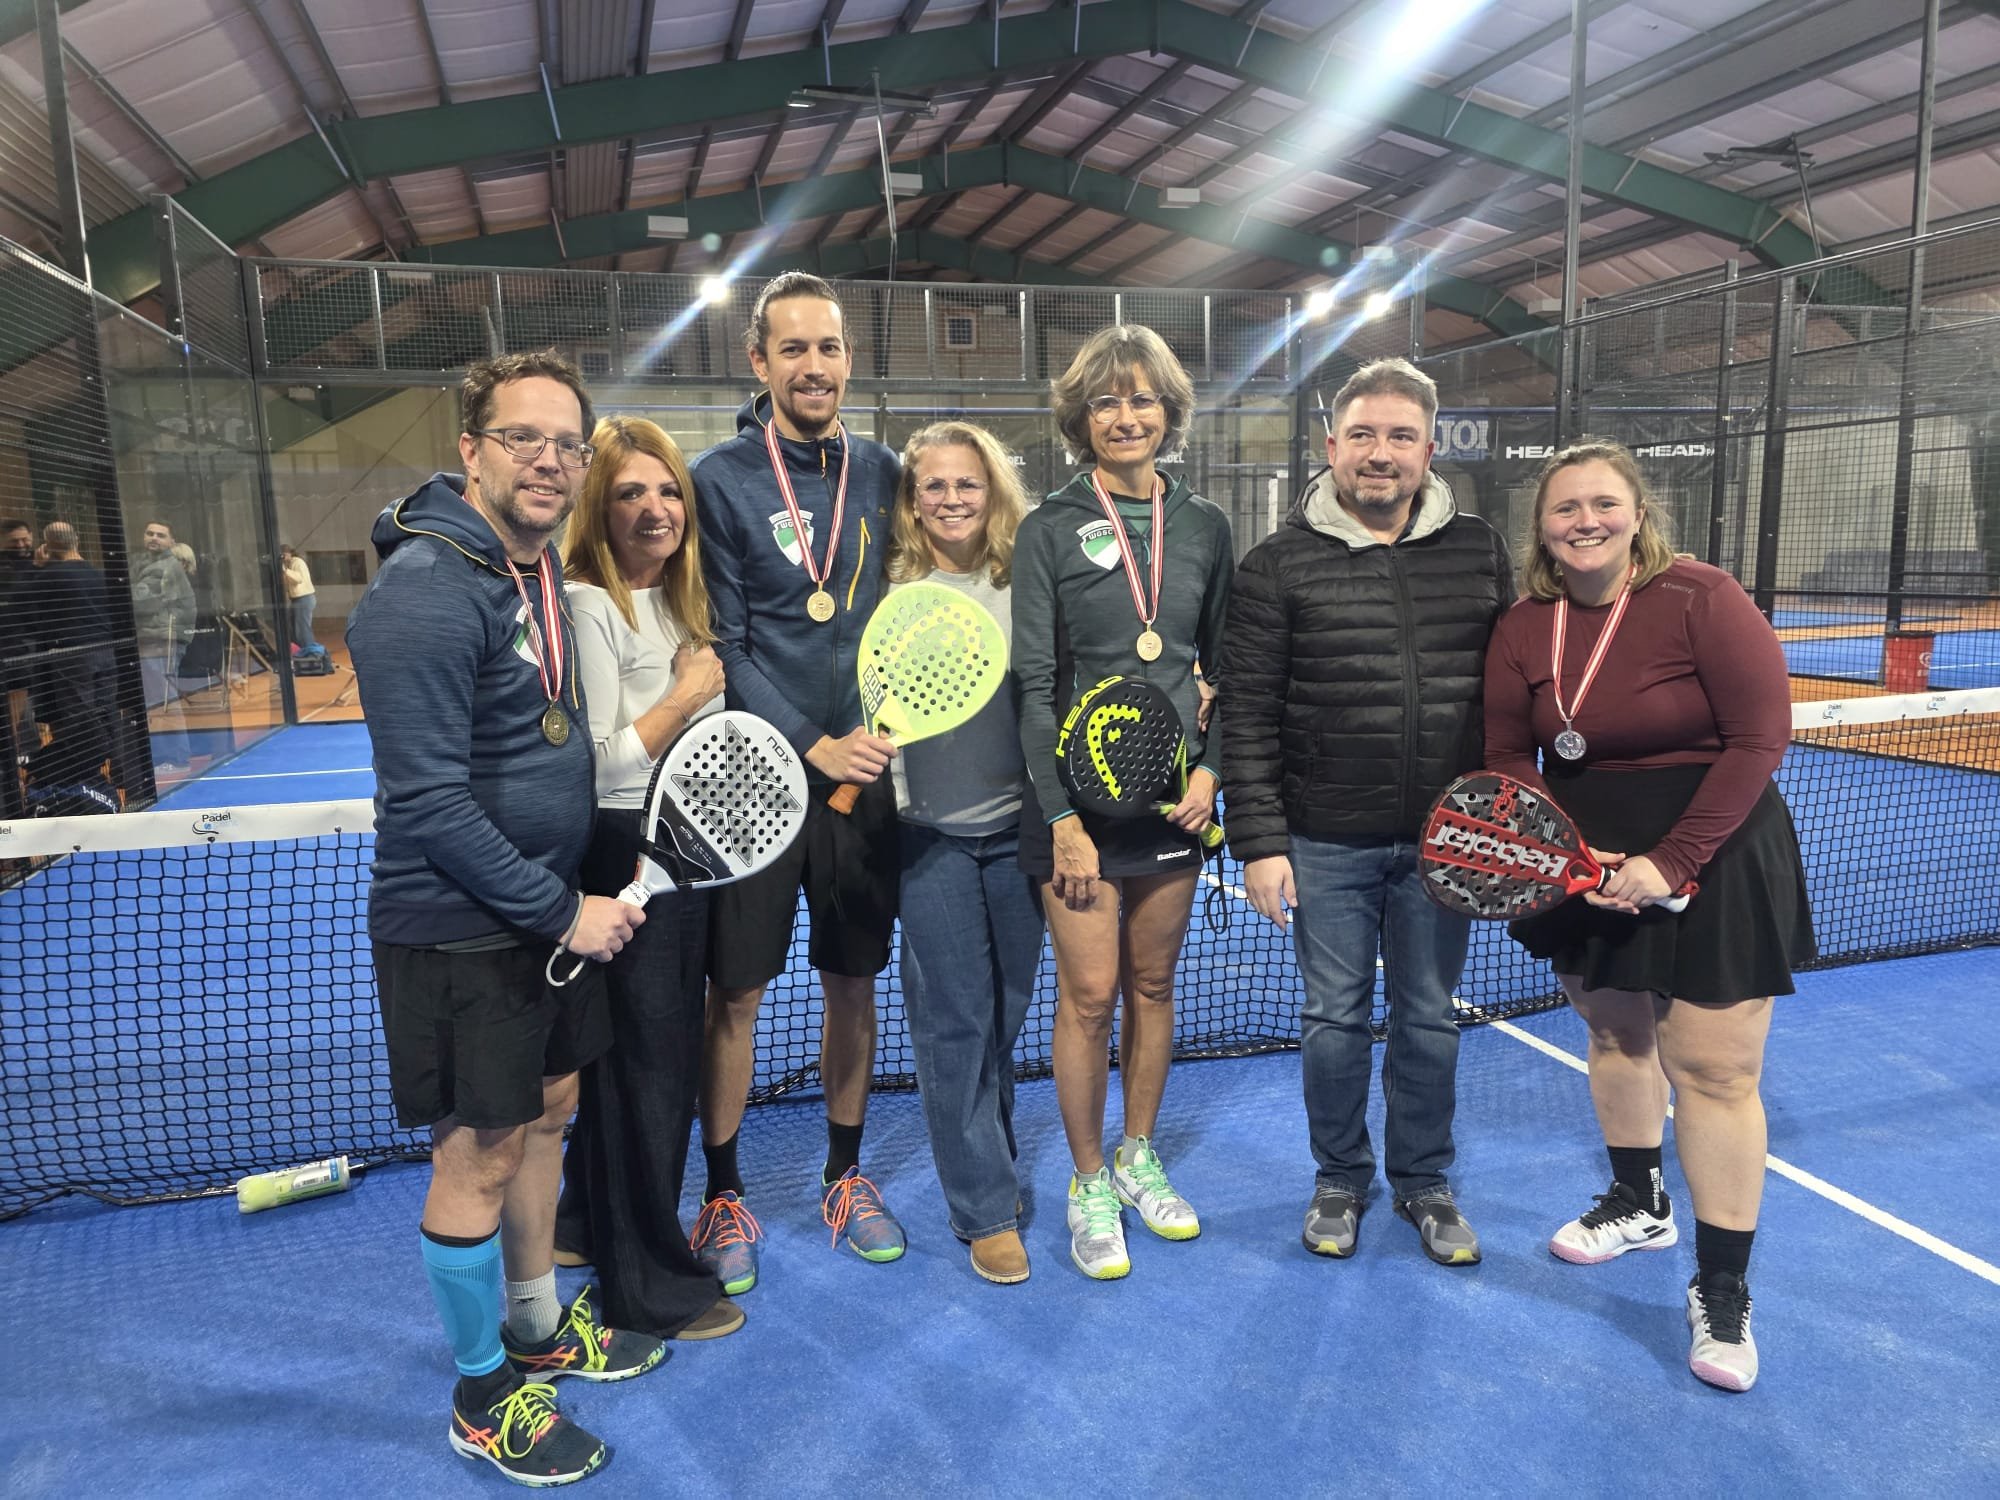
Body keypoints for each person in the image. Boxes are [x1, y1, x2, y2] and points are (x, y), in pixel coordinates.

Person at [347, 350, 663, 1486]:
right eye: (522, 438)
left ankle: (535, 1328)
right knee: (479, 1151)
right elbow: (428, 805)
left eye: (566, 443)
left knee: (546, 1113)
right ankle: (484, 1392)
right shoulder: (426, 592)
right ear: (470, 450)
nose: (549, 460)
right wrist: (560, 911)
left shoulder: (527, 577)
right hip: (461, 928)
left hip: (542, 923)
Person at [1484, 439, 1813, 1393]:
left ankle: (1721, 1286)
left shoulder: (1702, 598)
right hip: (1586, 862)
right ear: (1540, 527)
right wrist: (1556, 853)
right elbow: (1508, 752)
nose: (1583, 521)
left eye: (1602, 503)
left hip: (1715, 848)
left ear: (1638, 512)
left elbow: (1761, 737)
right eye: (1563, 508)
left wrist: (1671, 860)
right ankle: (1638, 1201)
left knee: (1714, 1070)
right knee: (1615, 1034)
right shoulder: (1523, 626)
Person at [1220, 358, 1513, 1269]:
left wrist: (1505, 821)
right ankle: (1340, 1177)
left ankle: (1424, 1180)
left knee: (1429, 1017)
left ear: (1430, 448)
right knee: (1334, 1019)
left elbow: (1511, 692)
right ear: (1330, 446)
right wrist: (1260, 843)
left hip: (1446, 843)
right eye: (1362, 436)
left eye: (1398, 437)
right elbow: (1248, 713)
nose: (1379, 455)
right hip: (1323, 839)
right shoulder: (1274, 566)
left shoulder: (1481, 549)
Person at [689, 270, 906, 1291]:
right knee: (735, 991)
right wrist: (808, 743)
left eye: (827, 347)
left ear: (846, 360)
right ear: (759, 359)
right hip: (755, 782)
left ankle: (843, 1173)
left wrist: (872, 733)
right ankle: (721, 1191)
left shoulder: (889, 472)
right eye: (793, 349)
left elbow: (923, 608)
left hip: (869, 781)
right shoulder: (718, 478)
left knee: (851, 984)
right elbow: (724, 642)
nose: (812, 365)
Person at [1012, 323, 1232, 1281]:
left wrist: (1209, 771)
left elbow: (1227, 667)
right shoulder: (1049, 526)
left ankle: (1139, 1155)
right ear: (1081, 418)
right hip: (1077, 816)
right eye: (1106, 401)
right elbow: (1030, 685)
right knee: (1090, 996)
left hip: (1173, 809)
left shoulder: (1207, 527)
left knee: (1152, 988)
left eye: (1143, 399)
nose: (1126, 416)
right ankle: (1089, 1178)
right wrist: (1061, 819)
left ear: (1169, 413)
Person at [551, 414, 742, 1341]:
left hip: (681, 852)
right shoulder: (590, 604)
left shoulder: (678, 604)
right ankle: (650, 1287)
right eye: (631, 492)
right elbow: (594, 768)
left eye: (667, 489)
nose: (655, 507)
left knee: (634, 1065)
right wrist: (683, 698)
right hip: (629, 854)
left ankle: (583, 1225)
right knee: (650, 1074)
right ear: (601, 509)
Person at [885, 420, 1042, 1284]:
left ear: (993, 494)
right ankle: (982, 1203)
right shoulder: (890, 590)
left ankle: (991, 1160)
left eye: (967, 485)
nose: (950, 500)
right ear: (913, 500)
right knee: (956, 1025)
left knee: (1008, 1016)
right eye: (933, 486)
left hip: (1019, 837)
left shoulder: (1026, 583)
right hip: (930, 843)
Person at [130, 519, 194, 773]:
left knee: (163, 700)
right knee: (159, 698)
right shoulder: (150, 564)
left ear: (171, 542)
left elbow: (139, 602)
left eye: (160, 535)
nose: (154, 538)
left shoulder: (163, 568)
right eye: (149, 533)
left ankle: (177, 759)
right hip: (157, 640)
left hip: (160, 642)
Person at [280, 544, 320, 657]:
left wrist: (285, 570)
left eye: (283, 555)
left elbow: (298, 579)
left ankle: (312, 652)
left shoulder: (297, 562)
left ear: (288, 554)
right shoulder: (289, 564)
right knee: (293, 627)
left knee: (302, 628)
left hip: (304, 598)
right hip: (296, 600)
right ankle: (298, 651)